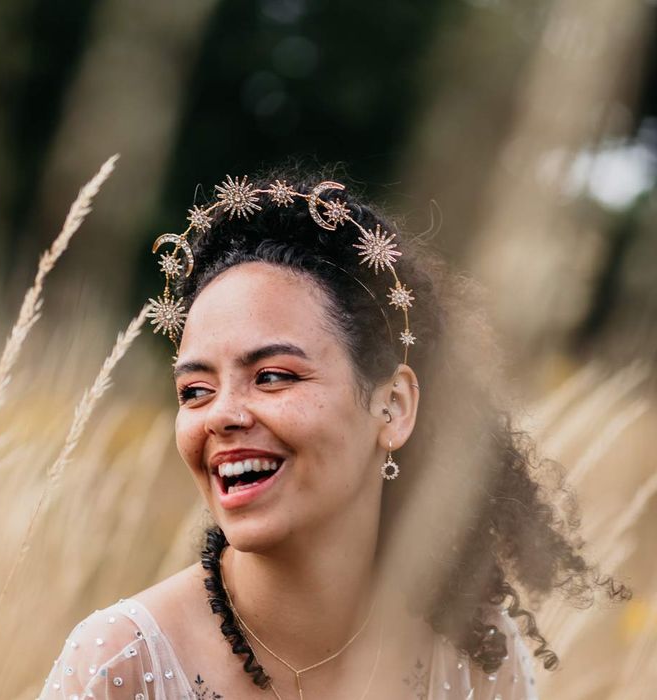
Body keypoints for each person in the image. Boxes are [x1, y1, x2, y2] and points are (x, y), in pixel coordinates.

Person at [38, 167, 628, 699]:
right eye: (196, 390)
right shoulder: (120, 665)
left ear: (393, 407)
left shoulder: (476, 666)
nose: (222, 415)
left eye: (271, 376)